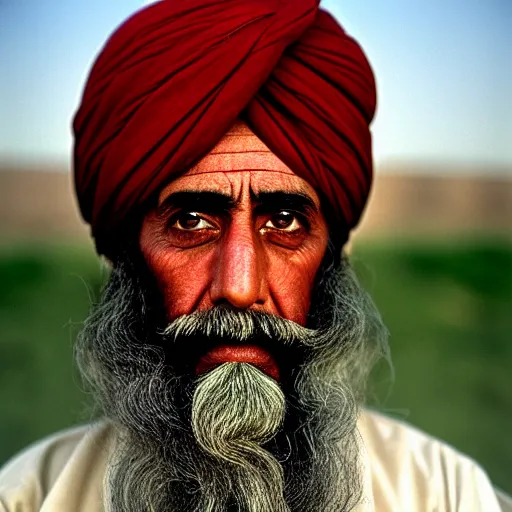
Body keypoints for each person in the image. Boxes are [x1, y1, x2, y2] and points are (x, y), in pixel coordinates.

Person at [0, 1, 510, 511]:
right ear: (125, 257)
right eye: (191, 222)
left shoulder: (446, 494)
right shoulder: (28, 498)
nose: (241, 286)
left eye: (284, 222)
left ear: (331, 259)